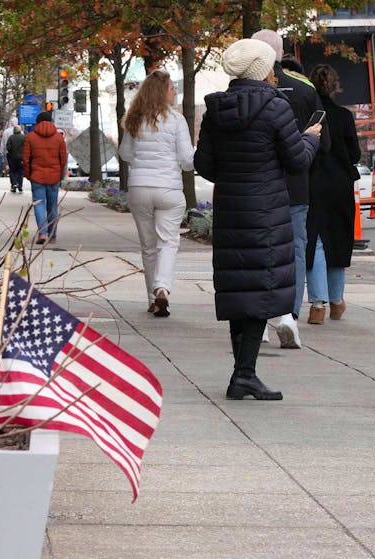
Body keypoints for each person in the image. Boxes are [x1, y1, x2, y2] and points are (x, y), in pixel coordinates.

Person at [195, 38, 321, 401]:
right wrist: (310, 139)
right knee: (261, 288)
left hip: (230, 209)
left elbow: (204, 164)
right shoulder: (275, 107)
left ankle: (242, 373)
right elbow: (297, 160)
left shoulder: (216, 110)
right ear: (263, 70)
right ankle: (244, 375)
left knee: (239, 289)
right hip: (266, 210)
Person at [252, 29, 329, 347]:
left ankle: (259, 319)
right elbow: (325, 143)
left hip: (256, 185)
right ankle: (289, 314)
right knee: (295, 249)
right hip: (296, 183)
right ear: (282, 53)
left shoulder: (243, 92)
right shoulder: (304, 89)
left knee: (258, 251)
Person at [119, 70, 195, 318]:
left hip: (140, 188)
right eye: (172, 88)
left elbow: (125, 153)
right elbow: (187, 161)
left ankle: (153, 299)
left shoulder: (134, 119)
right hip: (169, 190)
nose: (175, 92)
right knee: (168, 242)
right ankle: (162, 288)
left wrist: (141, 163)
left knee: (148, 246)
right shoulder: (177, 120)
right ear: (162, 92)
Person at [305, 64, 361, 322]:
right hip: (340, 185)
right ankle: (337, 301)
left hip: (313, 183)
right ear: (336, 86)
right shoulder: (344, 116)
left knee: (315, 241)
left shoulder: (310, 117)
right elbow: (355, 154)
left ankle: (317, 305)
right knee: (338, 241)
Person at [22, 112, 66, 243]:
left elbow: (26, 159)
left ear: (37, 122)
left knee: (39, 205)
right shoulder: (59, 138)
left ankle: (42, 234)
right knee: (52, 206)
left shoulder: (31, 137)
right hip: (54, 176)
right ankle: (52, 235)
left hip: (37, 176)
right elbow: (63, 159)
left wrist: (29, 174)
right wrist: (59, 174)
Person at [6, 126, 25, 193]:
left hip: (12, 158)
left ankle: (14, 184)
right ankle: (20, 187)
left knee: (13, 171)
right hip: (21, 158)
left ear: (14, 131)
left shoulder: (11, 137)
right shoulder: (23, 137)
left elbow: (8, 147)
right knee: (20, 172)